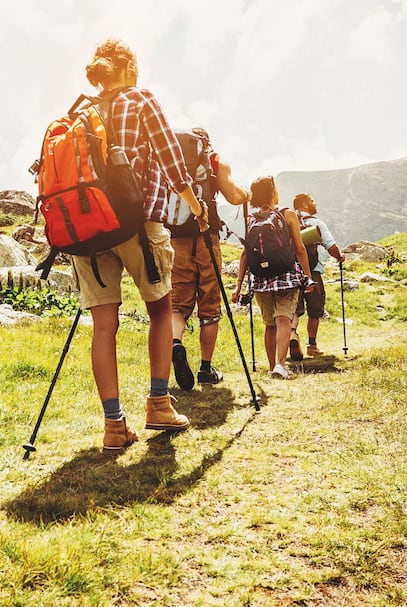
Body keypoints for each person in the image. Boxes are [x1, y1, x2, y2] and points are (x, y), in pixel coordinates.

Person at [75, 39, 208, 452]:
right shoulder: (140, 98)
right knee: (160, 310)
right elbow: (172, 160)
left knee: (104, 326)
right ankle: (158, 404)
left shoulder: (82, 111)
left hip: (88, 228)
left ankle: (114, 426)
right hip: (136, 222)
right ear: (129, 68)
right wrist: (195, 206)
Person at [168, 128, 250, 391]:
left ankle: (176, 344)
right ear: (205, 142)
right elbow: (234, 196)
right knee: (210, 305)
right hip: (206, 236)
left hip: (175, 237)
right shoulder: (214, 160)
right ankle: (205, 369)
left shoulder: (171, 158)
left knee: (177, 305)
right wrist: (247, 194)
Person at [231, 176, 313, 379]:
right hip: (286, 275)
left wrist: (239, 285)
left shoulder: (251, 219)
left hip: (260, 279)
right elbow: (300, 248)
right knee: (283, 318)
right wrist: (307, 278)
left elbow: (245, 254)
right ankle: (280, 365)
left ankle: (270, 367)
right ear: (274, 192)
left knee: (269, 323)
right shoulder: (288, 214)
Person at [292, 193, 344, 357]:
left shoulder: (289, 223)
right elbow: (330, 246)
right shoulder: (316, 224)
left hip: (292, 273)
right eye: (312, 201)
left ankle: (292, 334)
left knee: (293, 309)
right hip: (313, 272)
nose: (315, 204)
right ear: (305, 204)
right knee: (315, 310)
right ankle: (312, 345)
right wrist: (340, 257)